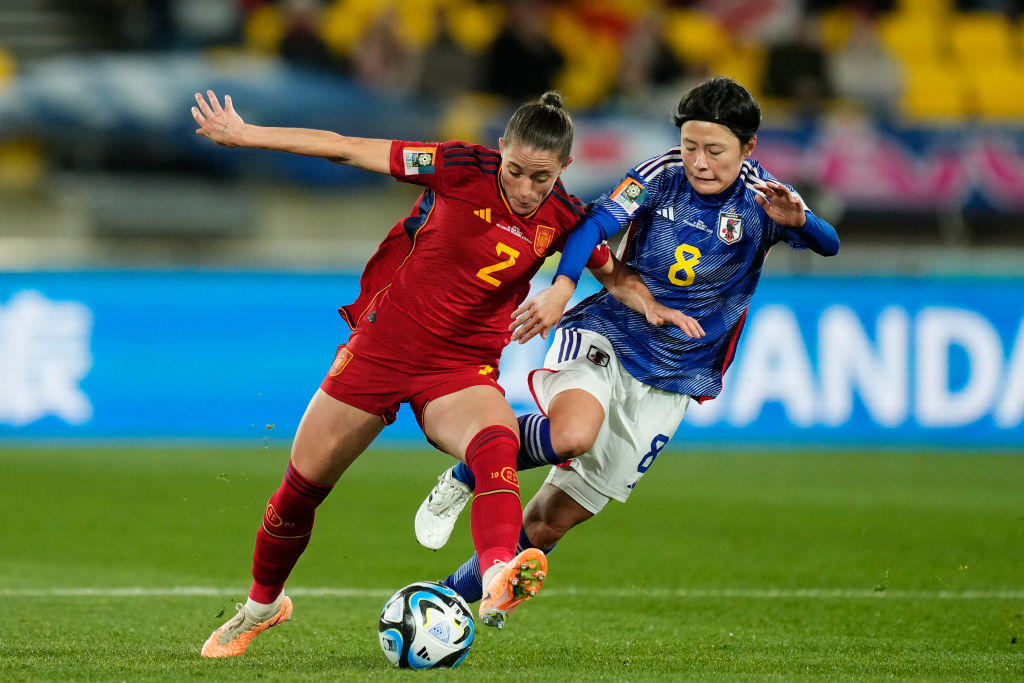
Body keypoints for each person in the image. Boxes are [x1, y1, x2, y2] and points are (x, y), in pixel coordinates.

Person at [189, 88, 685, 656]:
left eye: (541, 178)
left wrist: (650, 304)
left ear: (565, 169)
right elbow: (347, 148)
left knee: (495, 441)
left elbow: (613, 273)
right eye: (516, 171)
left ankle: (500, 572)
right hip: (381, 349)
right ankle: (261, 606)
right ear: (501, 149)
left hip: (459, 367)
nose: (525, 190)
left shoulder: (564, 218)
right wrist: (247, 134)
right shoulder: (457, 166)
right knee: (299, 493)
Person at [413, 76, 840, 604]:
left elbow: (829, 244)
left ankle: (448, 600)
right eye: (690, 147)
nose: (699, 163)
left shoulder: (765, 199)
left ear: (748, 147)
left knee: (550, 523)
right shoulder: (661, 175)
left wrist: (803, 220)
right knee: (573, 433)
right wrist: (563, 287)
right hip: (609, 335)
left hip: (675, 377)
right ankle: (468, 470)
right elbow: (592, 226)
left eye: (714, 150)